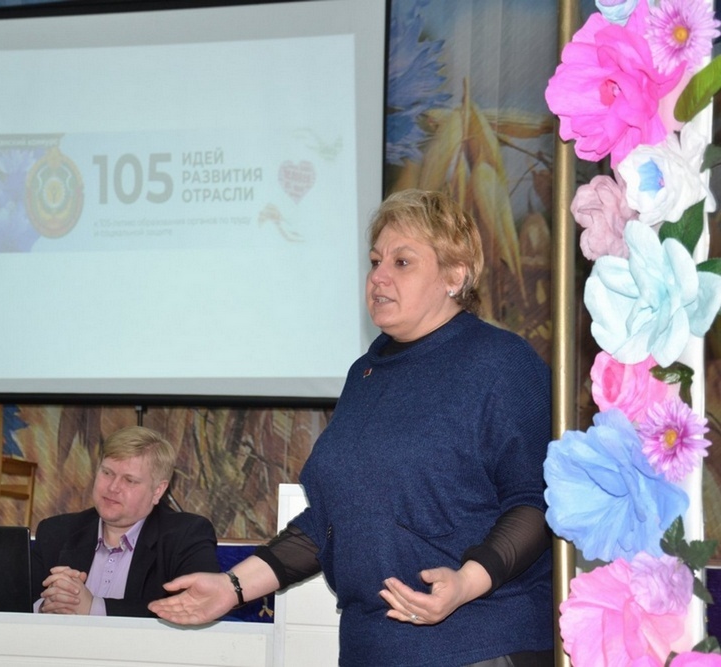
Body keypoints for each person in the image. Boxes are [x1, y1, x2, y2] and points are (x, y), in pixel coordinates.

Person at [149, 189, 554, 666]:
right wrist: (232, 587)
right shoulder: (364, 374)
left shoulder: (500, 363)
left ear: (454, 275)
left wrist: (466, 581)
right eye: (375, 261)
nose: (378, 276)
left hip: (478, 642)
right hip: (369, 648)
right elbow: (328, 523)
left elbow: (537, 501)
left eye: (402, 262)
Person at [31, 425, 220, 617]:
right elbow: (20, 601)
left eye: (129, 480)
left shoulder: (186, 535)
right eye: (107, 473)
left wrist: (93, 607)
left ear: (158, 491)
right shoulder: (56, 531)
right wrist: (47, 604)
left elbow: (197, 608)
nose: (113, 487)